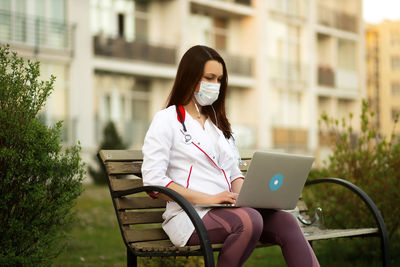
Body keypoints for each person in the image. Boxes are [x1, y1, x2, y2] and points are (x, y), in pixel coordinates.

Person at [142, 45, 320, 267]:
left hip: (227, 209)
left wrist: (257, 198)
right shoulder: (166, 120)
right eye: (210, 77)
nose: (215, 85)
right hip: (189, 216)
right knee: (248, 220)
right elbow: (153, 182)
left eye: (219, 79)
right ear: (191, 77)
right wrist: (212, 198)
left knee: (286, 221)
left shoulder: (219, 125)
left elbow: (233, 173)